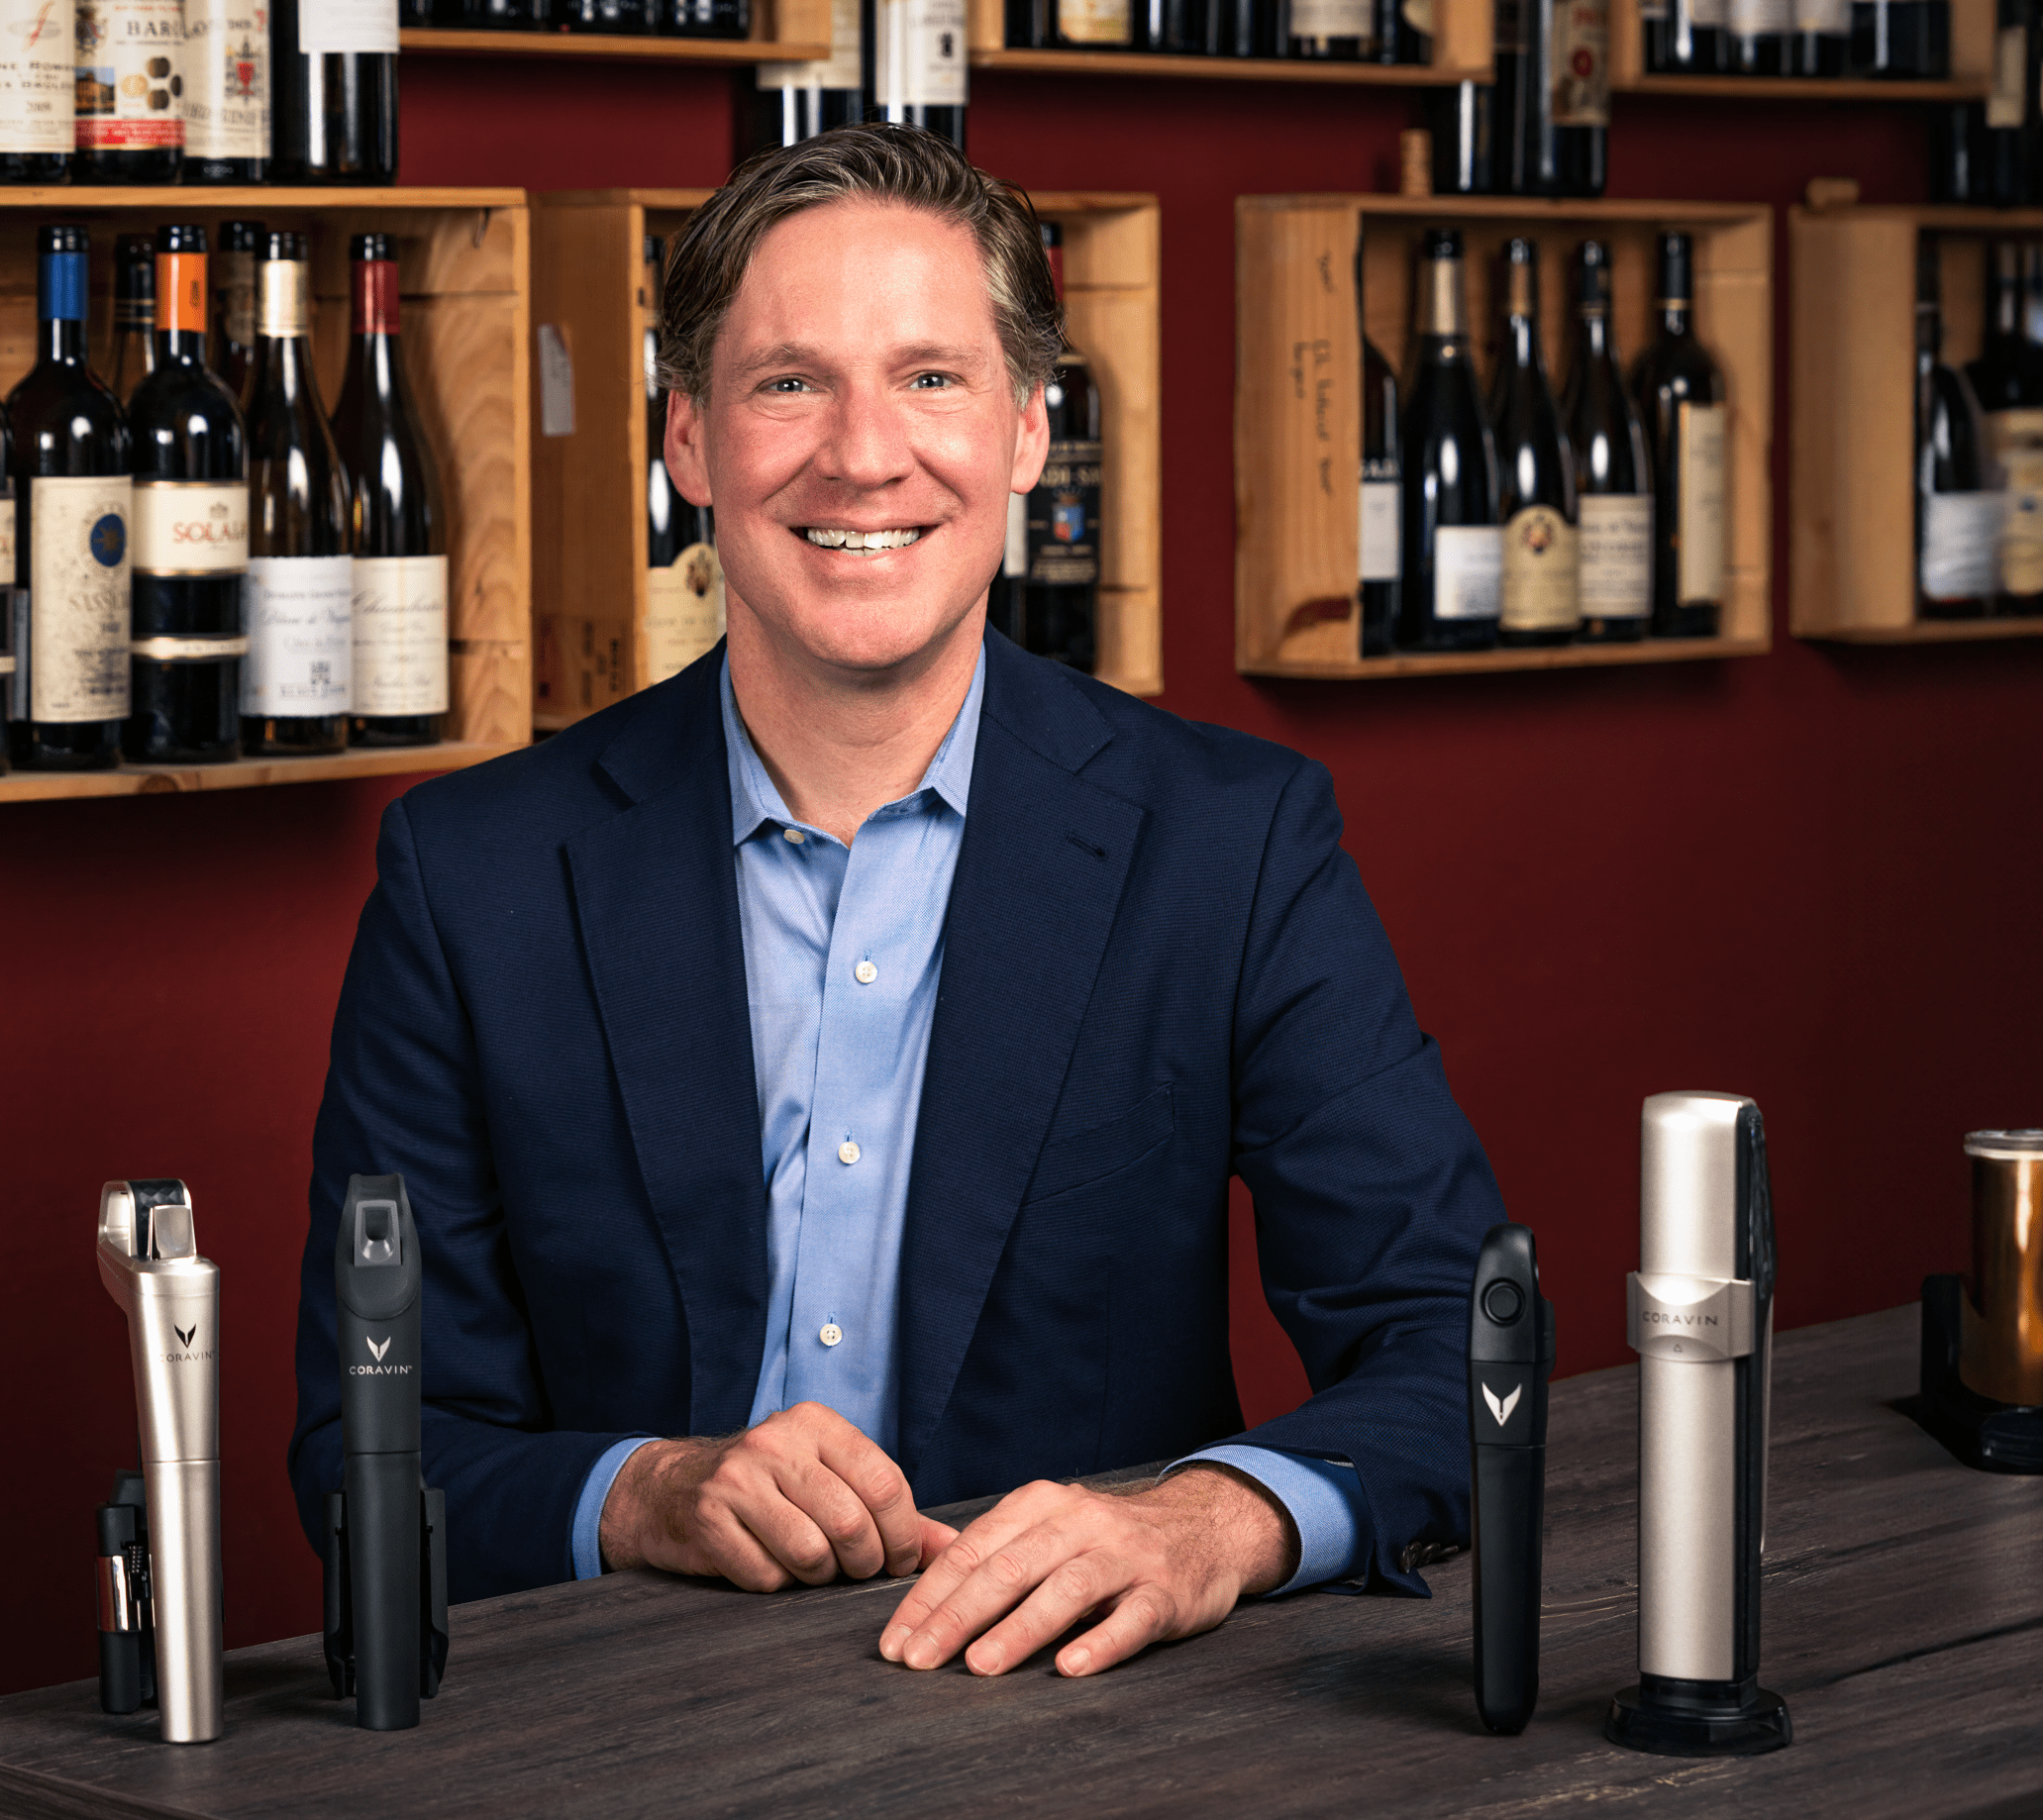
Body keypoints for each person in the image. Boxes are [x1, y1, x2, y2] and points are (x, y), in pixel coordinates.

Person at [291, 123, 1506, 1681]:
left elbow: (1462, 1347)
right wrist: (645, 1490)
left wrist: (1209, 1521)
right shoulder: (473, 878)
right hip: (615, 1737)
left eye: (931, 377)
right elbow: (367, 1450)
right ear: (685, 439)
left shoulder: (1231, 842)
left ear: (1022, 431)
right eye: (789, 380)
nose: (863, 453)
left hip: (1088, 1730)